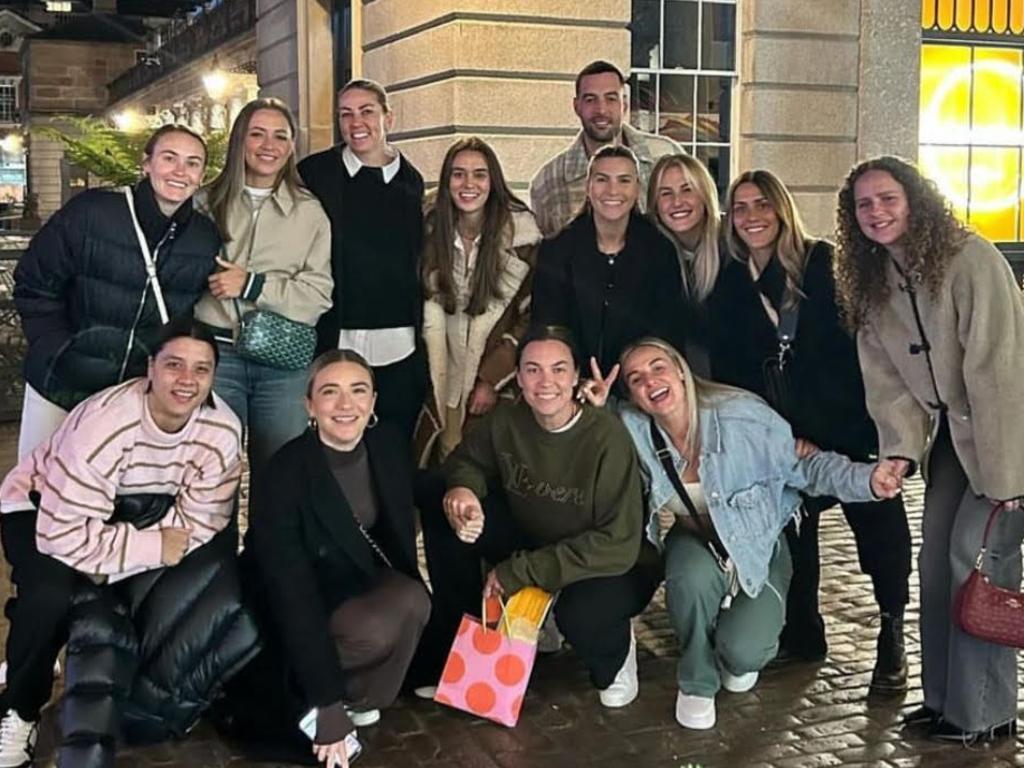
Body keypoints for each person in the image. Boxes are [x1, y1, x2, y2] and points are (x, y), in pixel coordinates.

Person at [0, 320, 255, 768]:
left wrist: (127, 554)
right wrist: (143, 550)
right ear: (149, 368)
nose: (187, 380)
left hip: (136, 514)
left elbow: (204, 518)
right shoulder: (106, 424)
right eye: (174, 365)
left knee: (192, 581)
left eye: (202, 369)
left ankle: (153, 696)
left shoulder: (222, 432)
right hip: (41, 506)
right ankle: (21, 707)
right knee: (51, 597)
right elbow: (62, 534)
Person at [613, 337, 903, 730]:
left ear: (681, 371)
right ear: (632, 395)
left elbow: (808, 469)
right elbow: (588, 436)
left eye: (658, 367)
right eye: (636, 378)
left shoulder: (742, 417)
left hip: (759, 545)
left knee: (745, 653)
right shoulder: (633, 429)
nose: (650, 381)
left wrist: (867, 480)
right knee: (687, 576)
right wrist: (591, 408)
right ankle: (697, 678)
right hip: (696, 541)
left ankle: (734, 646)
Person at [835, 156, 1024, 744]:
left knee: (978, 560)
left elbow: (1000, 370)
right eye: (864, 204)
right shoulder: (873, 280)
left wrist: (1008, 477)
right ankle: (943, 701)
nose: (876, 212)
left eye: (888, 198)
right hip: (951, 444)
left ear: (915, 199)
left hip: (1007, 438)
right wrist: (900, 452)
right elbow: (887, 380)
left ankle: (987, 714)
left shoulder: (972, 260)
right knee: (935, 564)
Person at [706, 169, 912, 693]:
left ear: (781, 209)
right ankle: (802, 632)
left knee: (877, 524)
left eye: (762, 205)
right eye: (741, 207)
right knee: (794, 534)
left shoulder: (821, 263)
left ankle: (892, 633)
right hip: (784, 434)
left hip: (844, 422)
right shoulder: (730, 281)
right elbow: (731, 367)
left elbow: (852, 349)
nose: (752, 217)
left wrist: (845, 428)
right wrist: (771, 435)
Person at [419, 325, 660, 709]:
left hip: (609, 563)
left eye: (559, 369)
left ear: (577, 376)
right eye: (532, 369)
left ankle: (614, 652)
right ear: (519, 377)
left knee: (581, 614)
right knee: (436, 494)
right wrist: (463, 490)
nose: (545, 381)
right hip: (536, 537)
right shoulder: (507, 420)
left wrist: (519, 572)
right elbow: (465, 461)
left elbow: (617, 544)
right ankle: (464, 644)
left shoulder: (607, 438)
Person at [236, 350, 430, 768]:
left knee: (415, 600)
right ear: (309, 404)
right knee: (376, 629)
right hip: (290, 597)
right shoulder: (285, 473)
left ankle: (357, 695)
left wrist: (460, 493)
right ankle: (312, 690)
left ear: (374, 401)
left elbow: (416, 488)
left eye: (358, 391)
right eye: (330, 392)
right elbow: (291, 590)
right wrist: (325, 702)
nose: (346, 405)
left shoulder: (386, 443)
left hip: (351, 576)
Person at [13, 123, 220, 458]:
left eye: (193, 163)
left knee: (115, 496)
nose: (180, 171)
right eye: (169, 158)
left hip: (134, 394)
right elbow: (34, 283)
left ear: (201, 175)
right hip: (61, 383)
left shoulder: (203, 237)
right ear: (146, 163)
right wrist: (58, 349)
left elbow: (186, 314)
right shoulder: (92, 212)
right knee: (38, 487)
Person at [195, 97, 333, 489]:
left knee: (280, 477)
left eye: (280, 136)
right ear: (240, 140)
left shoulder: (309, 211)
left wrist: (253, 284)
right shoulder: (204, 203)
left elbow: (319, 294)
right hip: (216, 358)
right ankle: (215, 551)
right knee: (210, 473)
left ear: (291, 147)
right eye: (257, 134)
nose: (268, 145)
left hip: (282, 363)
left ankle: (269, 551)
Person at [298, 79, 427, 440]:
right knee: (334, 446)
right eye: (346, 114)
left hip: (401, 344)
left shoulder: (412, 183)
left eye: (367, 111)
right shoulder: (315, 174)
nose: (356, 123)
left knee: (394, 446)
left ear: (389, 118)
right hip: (334, 338)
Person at [414, 137, 543, 465]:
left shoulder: (523, 238)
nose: (468, 183)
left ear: (493, 180)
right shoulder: (429, 232)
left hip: (493, 378)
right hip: (439, 374)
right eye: (458, 174)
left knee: (482, 468)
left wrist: (491, 378)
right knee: (439, 462)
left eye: (479, 174)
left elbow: (530, 317)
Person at [532, 145, 686, 381]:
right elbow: (548, 328)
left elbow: (667, 333)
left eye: (624, 180)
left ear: (637, 189)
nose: (613, 190)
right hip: (573, 384)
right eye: (602, 179)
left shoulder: (660, 251)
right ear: (588, 187)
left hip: (639, 383)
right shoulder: (558, 250)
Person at [529, 60, 684, 237]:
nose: (601, 109)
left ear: (624, 104)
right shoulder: (548, 182)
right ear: (576, 106)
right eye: (590, 99)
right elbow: (546, 257)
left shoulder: (666, 155)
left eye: (611, 98)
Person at [646, 153, 724, 376]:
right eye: (666, 193)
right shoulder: (651, 259)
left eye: (687, 189)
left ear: (705, 195)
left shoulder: (733, 249)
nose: (677, 202)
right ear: (655, 205)